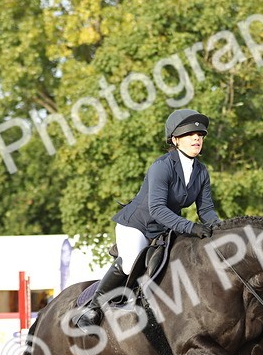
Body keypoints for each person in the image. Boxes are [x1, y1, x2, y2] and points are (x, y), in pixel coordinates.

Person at [74, 108, 221, 326]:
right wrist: (191, 228)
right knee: (131, 263)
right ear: (175, 140)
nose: (197, 138)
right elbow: (158, 209)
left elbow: (206, 210)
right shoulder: (162, 167)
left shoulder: (201, 171)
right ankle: (92, 309)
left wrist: (219, 230)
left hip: (164, 230)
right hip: (136, 225)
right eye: (190, 135)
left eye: (199, 135)